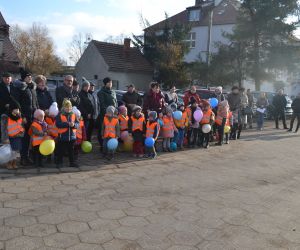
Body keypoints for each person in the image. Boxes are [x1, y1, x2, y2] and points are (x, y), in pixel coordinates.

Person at [11, 70, 39, 166]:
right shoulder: (19, 88)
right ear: (23, 78)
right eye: (28, 77)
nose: (30, 78)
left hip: (33, 116)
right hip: (25, 117)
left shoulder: (32, 88)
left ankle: (30, 157)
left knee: (33, 137)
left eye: (30, 76)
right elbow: (16, 103)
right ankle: (23, 158)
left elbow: (36, 102)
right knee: (25, 138)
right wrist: (22, 116)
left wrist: (38, 112)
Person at [1, 99, 24, 169]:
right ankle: (9, 164)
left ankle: (14, 163)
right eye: (16, 109)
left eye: (18, 109)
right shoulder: (5, 117)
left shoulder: (19, 117)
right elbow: (3, 129)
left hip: (17, 137)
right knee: (9, 152)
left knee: (16, 152)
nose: (17, 111)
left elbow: (21, 127)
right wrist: (5, 138)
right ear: (12, 109)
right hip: (9, 138)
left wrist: (21, 134)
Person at [55, 99, 79, 168]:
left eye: (70, 107)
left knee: (71, 151)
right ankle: (59, 163)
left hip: (71, 137)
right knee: (61, 151)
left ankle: (72, 162)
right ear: (63, 107)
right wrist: (67, 124)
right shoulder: (60, 115)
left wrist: (74, 125)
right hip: (62, 137)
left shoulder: (73, 114)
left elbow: (77, 124)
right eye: (67, 107)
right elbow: (58, 124)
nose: (68, 108)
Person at [97, 77, 118, 149]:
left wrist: (116, 111)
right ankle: (103, 147)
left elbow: (116, 103)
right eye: (109, 82)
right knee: (103, 131)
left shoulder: (113, 92)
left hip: (114, 115)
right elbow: (102, 104)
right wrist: (109, 112)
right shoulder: (101, 92)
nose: (110, 84)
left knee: (112, 131)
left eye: (111, 82)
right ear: (105, 83)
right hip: (105, 115)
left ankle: (112, 147)